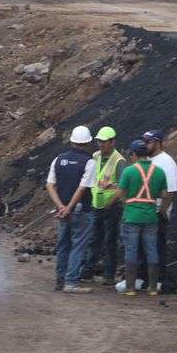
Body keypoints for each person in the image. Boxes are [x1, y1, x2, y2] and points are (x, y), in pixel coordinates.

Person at [45, 126, 97, 294]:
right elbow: (82, 188)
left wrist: (60, 206)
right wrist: (69, 208)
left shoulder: (58, 159)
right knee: (78, 245)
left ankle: (60, 280)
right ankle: (71, 282)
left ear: (72, 141)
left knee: (63, 245)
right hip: (80, 210)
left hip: (62, 210)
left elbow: (50, 185)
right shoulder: (89, 162)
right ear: (88, 142)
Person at [117, 138, 164, 297]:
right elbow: (164, 194)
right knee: (151, 250)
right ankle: (153, 288)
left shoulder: (129, 171)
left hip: (131, 217)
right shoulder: (159, 171)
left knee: (131, 250)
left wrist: (114, 202)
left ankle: (130, 288)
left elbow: (120, 193)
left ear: (134, 154)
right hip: (150, 217)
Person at [81, 126, 125, 283]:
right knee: (94, 239)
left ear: (112, 142)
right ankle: (88, 270)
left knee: (110, 241)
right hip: (96, 204)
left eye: (104, 142)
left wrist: (110, 189)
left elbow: (122, 186)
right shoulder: (95, 156)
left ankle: (109, 274)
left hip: (111, 206)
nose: (100, 144)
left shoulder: (119, 161)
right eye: (99, 141)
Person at [142, 130, 177, 292]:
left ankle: (158, 280)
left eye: (148, 142)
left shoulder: (167, 162)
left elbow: (171, 191)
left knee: (157, 246)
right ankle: (144, 278)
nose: (145, 145)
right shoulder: (147, 160)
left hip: (157, 211)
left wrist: (163, 211)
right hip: (144, 211)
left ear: (157, 143)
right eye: (144, 142)